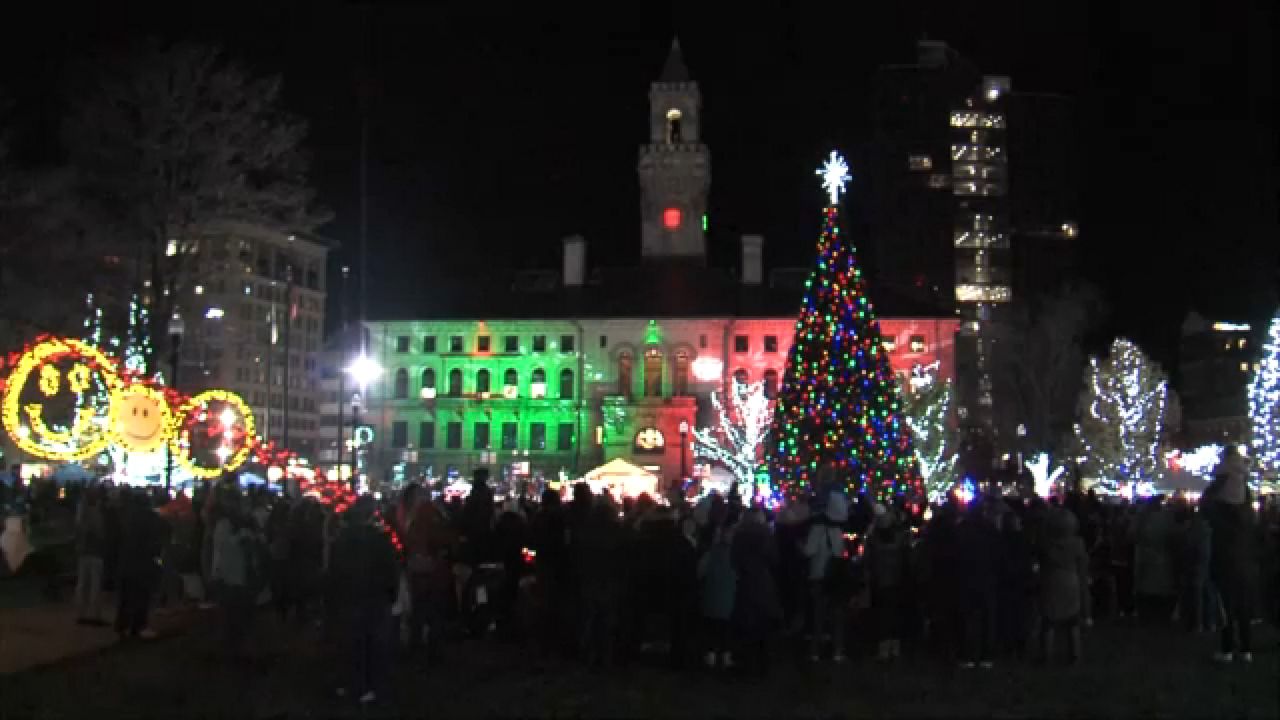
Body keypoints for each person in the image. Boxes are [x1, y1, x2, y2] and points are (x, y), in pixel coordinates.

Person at [329, 495, 400, 705]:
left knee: (352, 643)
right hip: (375, 598)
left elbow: (334, 572)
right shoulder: (381, 539)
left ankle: (352, 683)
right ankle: (370, 687)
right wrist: (391, 594)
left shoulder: (341, 539)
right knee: (374, 646)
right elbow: (391, 571)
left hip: (349, 597)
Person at [1202, 448, 1259, 663]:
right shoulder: (1246, 493)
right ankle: (1245, 649)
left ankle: (1227, 648)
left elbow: (1205, 508)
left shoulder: (1218, 499)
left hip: (1224, 556)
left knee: (1225, 604)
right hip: (1244, 556)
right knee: (1243, 604)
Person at [732, 507, 781, 676]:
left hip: (745, 582)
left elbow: (734, 559)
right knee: (763, 626)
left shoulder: (738, 536)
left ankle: (747, 664)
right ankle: (762, 664)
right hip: (762, 581)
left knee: (746, 626)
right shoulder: (765, 535)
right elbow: (774, 558)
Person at [955, 499, 1002, 669]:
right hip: (986, 577)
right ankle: (986, 655)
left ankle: (967, 654)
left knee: (967, 617)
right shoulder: (990, 529)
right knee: (987, 618)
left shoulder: (962, 529)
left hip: (967, 577)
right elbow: (997, 553)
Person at [1038, 507, 1089, 664]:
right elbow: (1083, 566)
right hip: (1071, 581)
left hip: (1051, 580)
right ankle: (1075, 654)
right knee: (1072, 621)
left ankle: (1047, 655)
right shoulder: (1078, 544)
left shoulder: (1046, 544)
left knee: (1049, 622)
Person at [211, 504, 259, 658]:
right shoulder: (230, 530)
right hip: (233, 579)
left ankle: (234, 650)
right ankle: (235, 650)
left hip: (232, 579)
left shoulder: (224, 528)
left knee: (233, 617)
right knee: (235, 617)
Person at [114, 490, 162, 640]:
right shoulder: (150, 518)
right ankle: (138, 626)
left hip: (126, 561)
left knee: (126, 597)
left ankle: (122, 625)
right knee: (141, 596)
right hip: (142, 563)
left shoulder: (126, 517)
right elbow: (155, 541)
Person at [866, 505, 909, 661]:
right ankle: (894, 646)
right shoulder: (900, 539)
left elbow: (868, 558)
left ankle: (884, 647)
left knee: (883, 614)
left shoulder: (874, 540)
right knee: (895, 613)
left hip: (881, 580)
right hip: (896, 579)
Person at [697, 512, 736, 669]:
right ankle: (726, 655)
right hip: (729, 598)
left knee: (712, 627)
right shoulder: (735, 555)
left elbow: (700, 572)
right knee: (726, 628)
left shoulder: (710, 553)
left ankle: (711, 654)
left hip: (712, 595)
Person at [74, 486, 108, 625]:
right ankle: (94, 614)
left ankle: (81, 613)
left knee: (83, 583)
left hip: (84, 551)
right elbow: (100, 532)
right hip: (95, 551)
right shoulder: (95, 513)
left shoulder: (81, 514)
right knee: (94, 584)